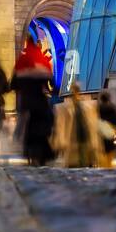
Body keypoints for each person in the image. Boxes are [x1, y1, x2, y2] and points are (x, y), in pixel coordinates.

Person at [11, 37, 55, 166]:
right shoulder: (41, 59)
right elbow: (51, 81)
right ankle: (47, 152)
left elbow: (13, 84)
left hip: (26, 102)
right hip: (40, 102)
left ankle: (24, 148)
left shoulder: (22, 60)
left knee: (26, 126)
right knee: (47, 122)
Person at [52, 82, 100, 167]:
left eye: (76, 90)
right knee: (74, 165)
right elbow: (60, 125)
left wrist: (95, 142)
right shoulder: (64, 108)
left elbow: (92, 125)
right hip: (72, 143)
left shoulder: (87, 107)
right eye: (74, 90)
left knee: (85, 164)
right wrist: (61, 141)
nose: (75, 92)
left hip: (85, 142)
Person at [97, 88, 116, 167]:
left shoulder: (97, 109)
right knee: (110, 154)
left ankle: (103, 168)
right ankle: (109, 168)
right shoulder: (113, 108)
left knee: (102, 155)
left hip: (101, 136)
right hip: (110, 134)